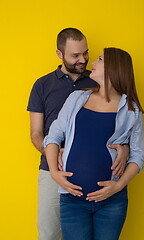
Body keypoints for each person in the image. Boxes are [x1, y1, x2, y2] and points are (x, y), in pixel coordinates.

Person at [27, 28, 129, 240]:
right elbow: (37, 133)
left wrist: (125, 148)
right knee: (49, 234)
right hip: (51, 171)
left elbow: (120, 124)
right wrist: (56, 156)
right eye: (75, 55)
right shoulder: (42, 85)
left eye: (86, 53)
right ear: (59, 54)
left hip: (97, 183)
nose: (83, 60)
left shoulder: (97, 82)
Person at [43, 47, 144, 240]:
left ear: (114, 68)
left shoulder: (132, 110)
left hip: (112, 202)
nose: (93, 64)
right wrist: (55, 173)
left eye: (99, 60)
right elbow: (53, 136)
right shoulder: (76, 99)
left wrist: (118, 186)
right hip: (72, 200)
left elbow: (139, 155)